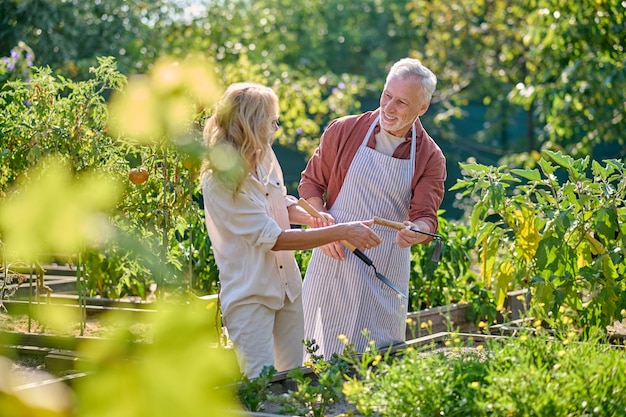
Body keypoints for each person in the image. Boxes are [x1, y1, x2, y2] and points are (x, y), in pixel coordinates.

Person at [200, 82, 381, 379]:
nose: (275, 127)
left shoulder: (265, 156)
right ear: (252, 122)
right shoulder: (220, 179)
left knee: (291, 382)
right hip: (251, 295)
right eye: (272, 120)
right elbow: (276, 240)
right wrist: (341, 232)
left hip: (287, 289)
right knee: (259, 387)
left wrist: (313, 218)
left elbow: (279, 203)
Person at [298, 57, 447, 358]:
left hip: (383, 265)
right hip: (333, 255)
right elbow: (310, 186)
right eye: (387, 95)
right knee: (313, 357)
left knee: (375, 359)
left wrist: (417, 232)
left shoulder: (430, 156)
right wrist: (322, 227)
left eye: (402, 102)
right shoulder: (344, 130)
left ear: (423, 108)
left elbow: (425, 218)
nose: (389, 108)